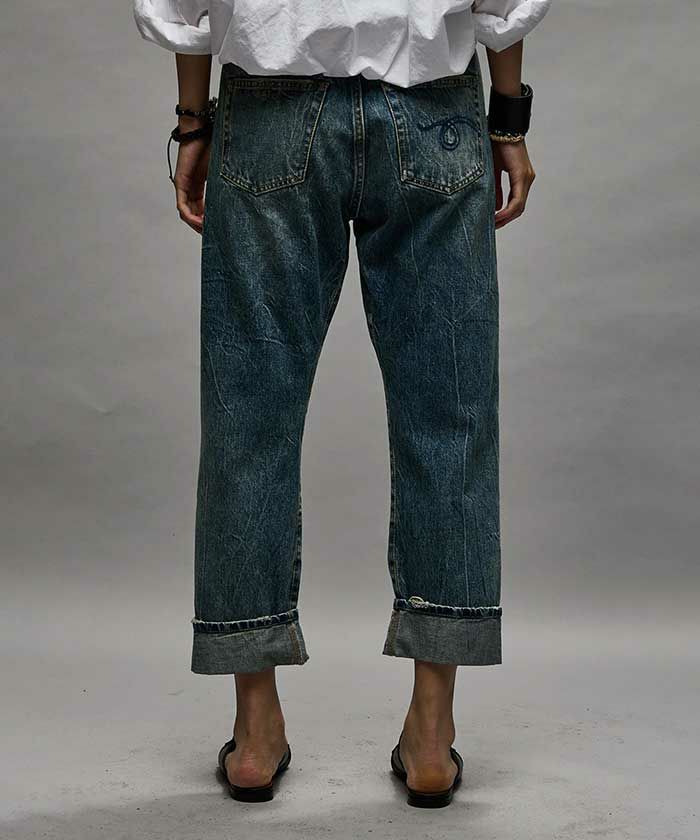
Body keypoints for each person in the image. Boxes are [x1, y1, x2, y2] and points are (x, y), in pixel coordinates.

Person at [133, 0, 551, 808]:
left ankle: (255, 733)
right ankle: (431, 736)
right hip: (430, 111)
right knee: (449, 419)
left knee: (249, 421)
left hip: (271, 114)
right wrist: (508, 119)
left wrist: (192, 124)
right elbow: (503, 6)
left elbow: (182, 7)